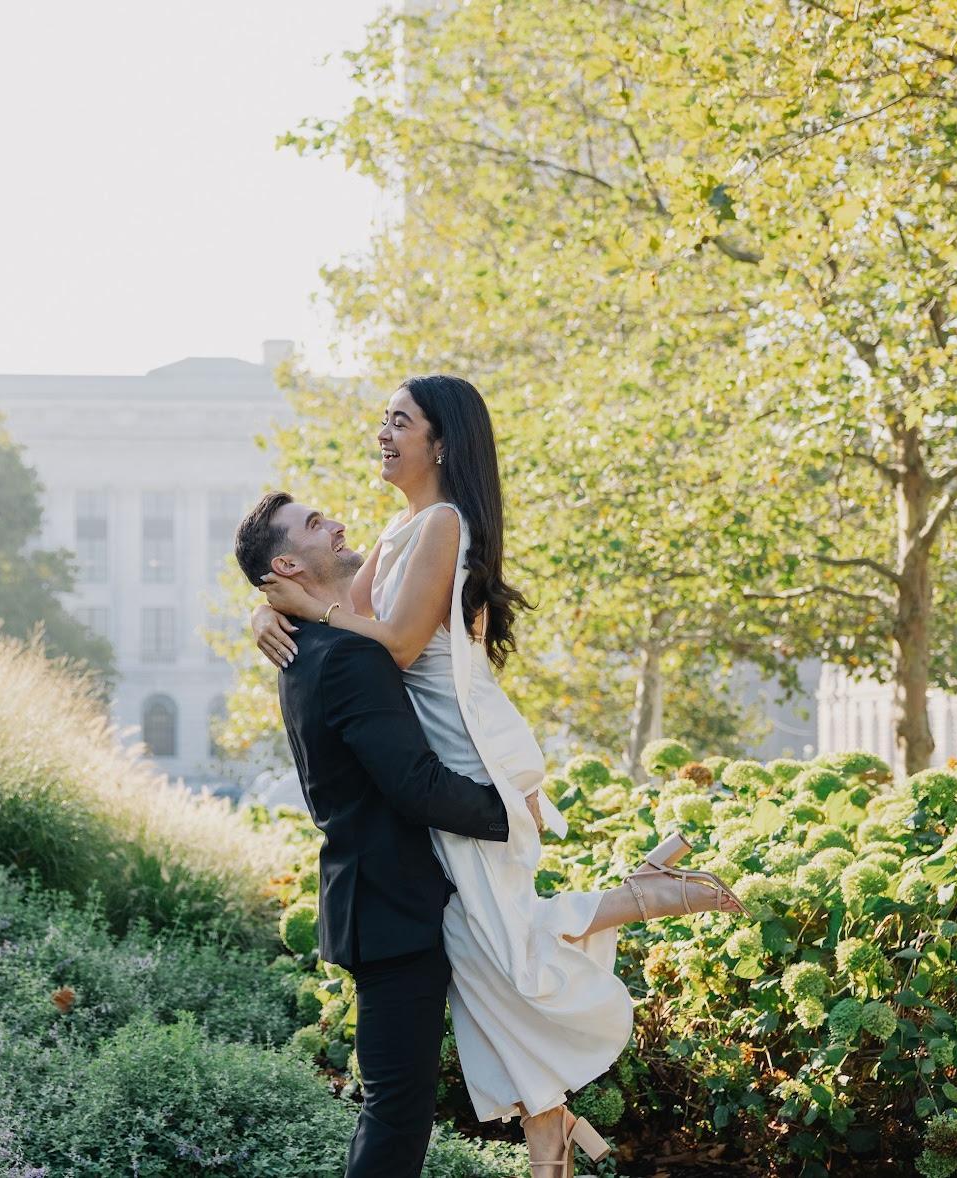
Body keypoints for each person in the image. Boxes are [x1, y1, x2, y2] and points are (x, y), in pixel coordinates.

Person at [251, 375, 748, 1176]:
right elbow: (349, 609)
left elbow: (395, 643)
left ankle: (642, 897)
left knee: (503, 940)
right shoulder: (398, 529)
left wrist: (310, 611)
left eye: (400, 422)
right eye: (384, 419)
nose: (383, 433)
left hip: (469, 748)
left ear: (441, 443)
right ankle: (548, 1120)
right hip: (448, 750)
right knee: (484, 944)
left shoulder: (444, 522)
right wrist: (270, 609)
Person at [234, 492, 552, 1178]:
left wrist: (265, 609)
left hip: (377, 899)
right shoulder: (347, 655)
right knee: (396, 1113)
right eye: (314, 524)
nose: (336, 524)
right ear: (287, 564)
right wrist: (509, 811)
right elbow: (413, 783)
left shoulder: (312, 644)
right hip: (390, 906)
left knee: (397, 1108)